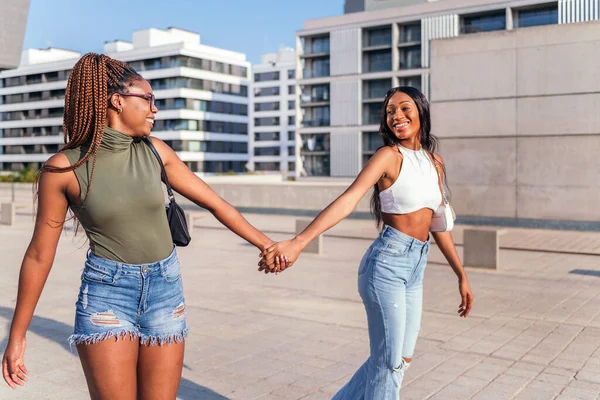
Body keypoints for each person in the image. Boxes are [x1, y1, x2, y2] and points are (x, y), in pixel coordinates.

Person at [1, 53, 284, 400]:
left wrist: (268, 244)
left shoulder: (156, 152)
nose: (155, 109)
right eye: (148, 99)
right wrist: (18, 335)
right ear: (117, 101)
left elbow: (215, 202)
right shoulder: (64, 169)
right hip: (108, 297)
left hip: (166, 291)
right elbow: (39, 256)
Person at [259, 86, 474, 399]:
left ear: (421, 111)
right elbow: (348, 200)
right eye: (390, 112)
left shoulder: (435, 163)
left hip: (416, 267)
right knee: (388, 363)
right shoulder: (388, 156)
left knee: (400, 359)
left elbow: (439, 225)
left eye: (404, 108)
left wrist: (462, 275)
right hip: (387, 264)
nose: (396, 116)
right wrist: (299, 241)